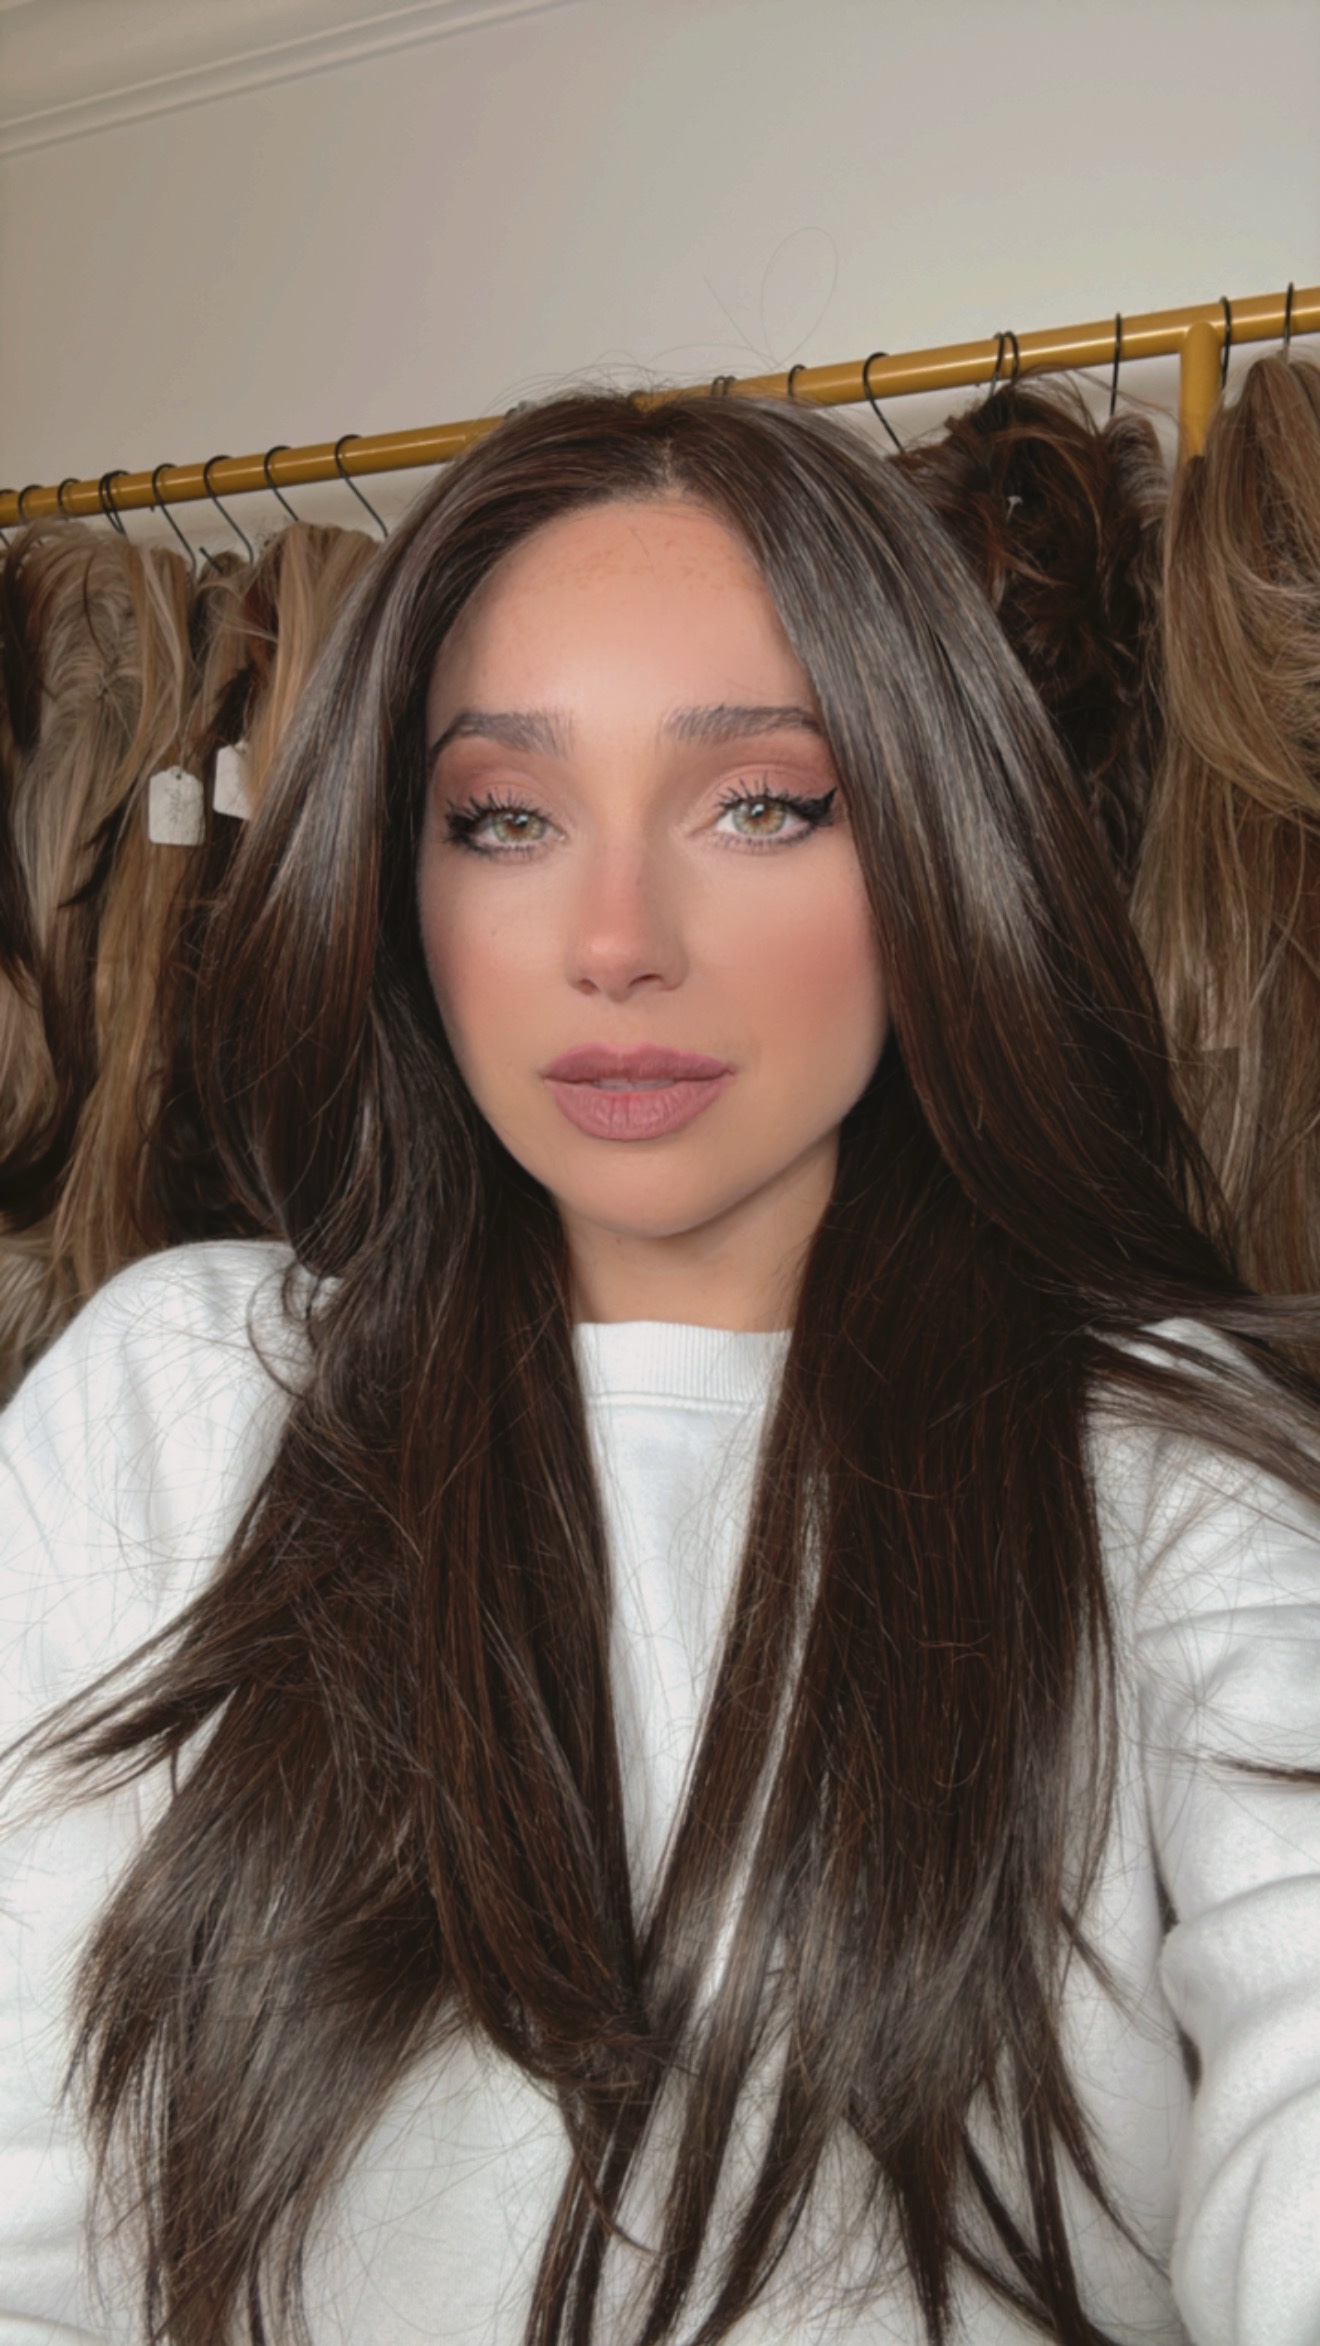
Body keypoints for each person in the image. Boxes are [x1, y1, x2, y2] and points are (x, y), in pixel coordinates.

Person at [2, 390, 1320, 2346]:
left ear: (934, 843)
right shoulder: (178, 1403)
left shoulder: (1168, 1467)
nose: (616, 940)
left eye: (760, 803)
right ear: (400, 879)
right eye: (507, 818)